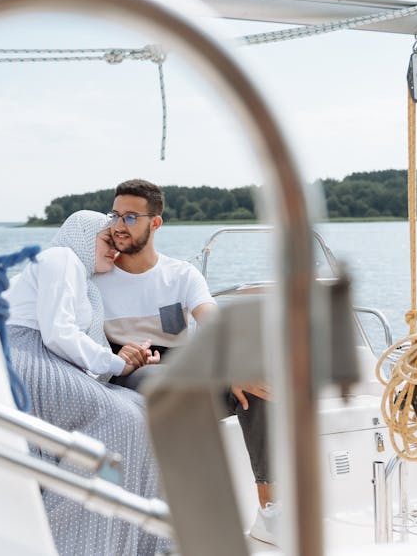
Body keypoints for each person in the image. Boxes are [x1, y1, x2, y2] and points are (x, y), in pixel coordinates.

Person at [92, 179, 279, 546]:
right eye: (115, 215)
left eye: (130, 217)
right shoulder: (97, 280)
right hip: (132, 374)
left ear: (155, 223)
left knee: (255, 385)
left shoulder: (180, 275)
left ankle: (270, 511)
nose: (118, 225)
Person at [4, 209, 164, 556]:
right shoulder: (61, 258)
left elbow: (78, 348)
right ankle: (73, 544)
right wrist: (115, 362)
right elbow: (58, 332)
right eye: (108, 240)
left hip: (48, 358)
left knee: (140, 409)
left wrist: (125, 361)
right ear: (81, 235)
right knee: (121, 419)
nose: (115, 250)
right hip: (27, 356)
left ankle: (139, 542)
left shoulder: (84, 281)